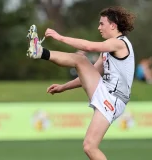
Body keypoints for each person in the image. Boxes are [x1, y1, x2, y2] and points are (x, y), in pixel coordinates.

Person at [26, 6, 135, 160]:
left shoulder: (120, 43)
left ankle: (39, 51)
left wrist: (60, 37)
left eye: (102, 24)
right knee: (89, 147)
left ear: (113, 25)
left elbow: (88, 46)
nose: (99, 27)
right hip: (107, 93)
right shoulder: (107, 50)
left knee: (90, 147)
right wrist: (63, 87)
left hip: (113, 99)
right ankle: (39, 52)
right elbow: (90, 74)